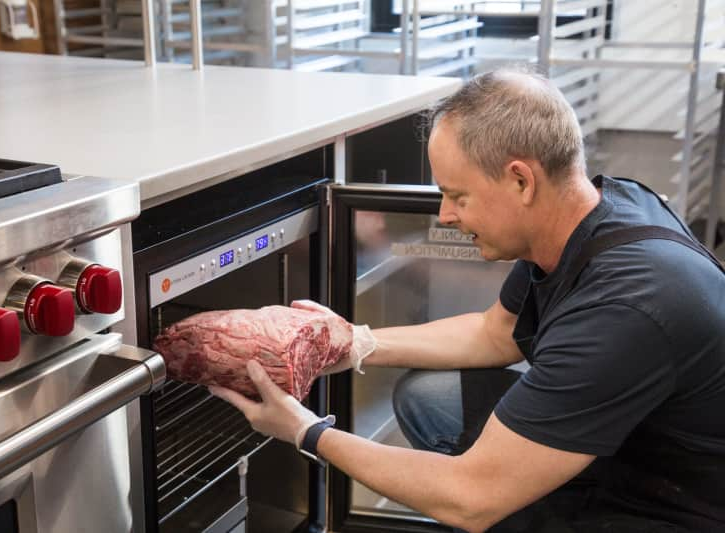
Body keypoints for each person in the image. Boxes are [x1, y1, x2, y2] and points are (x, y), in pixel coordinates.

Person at [209, 68, 725, 532]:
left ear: (521, 180)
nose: (446, 215)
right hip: (628, 447)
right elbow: (493, 333)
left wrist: (306, 431)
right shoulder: (589, 215)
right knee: (430, 398)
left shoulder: (627, 305)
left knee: (477, 497)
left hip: (676, 506)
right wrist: (355, 341)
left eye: (458, 195)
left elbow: (469, 497)